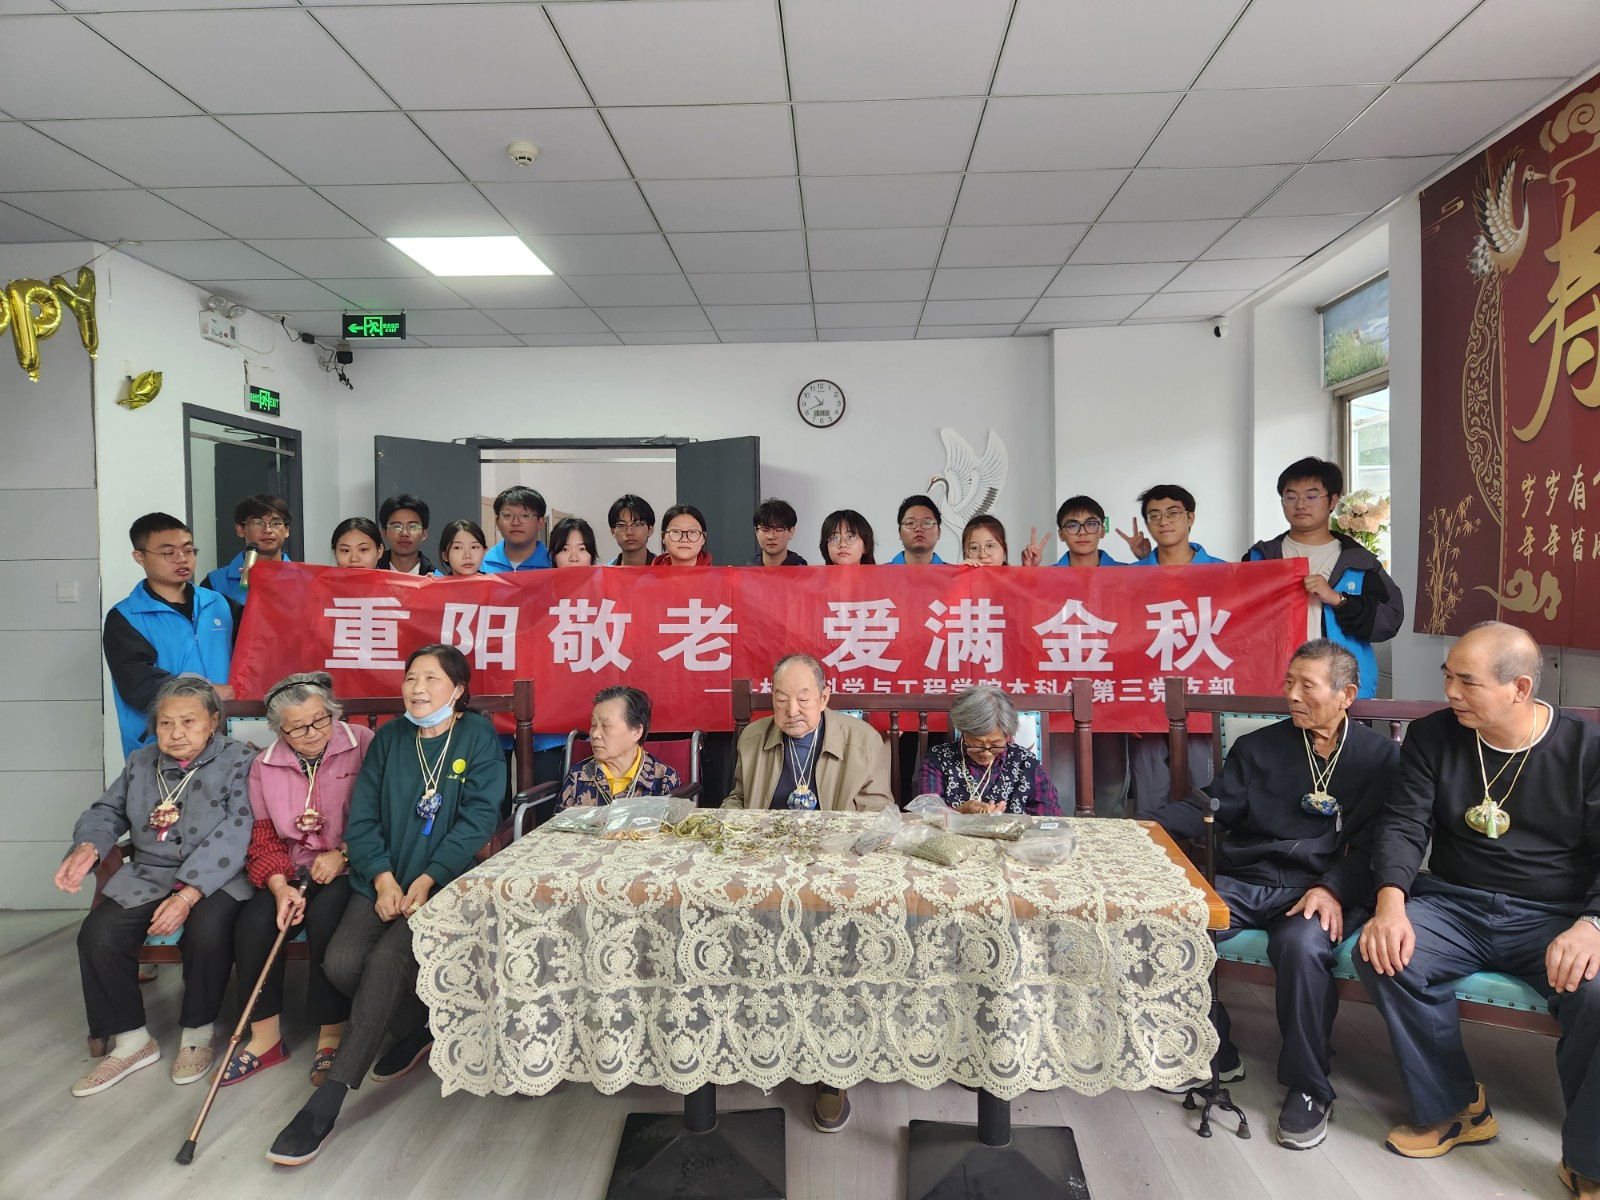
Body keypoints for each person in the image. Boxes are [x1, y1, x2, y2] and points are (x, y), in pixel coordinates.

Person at [1356, 623, 1600, 1193]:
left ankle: (1590, 1157)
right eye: (1448, 676)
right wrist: (1390, 904)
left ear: (1520, 688)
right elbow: (1404, 824)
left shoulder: (1587, 750)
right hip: (1455, 904)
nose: (1450, 692)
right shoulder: (1433, 736)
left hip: (1555, 916)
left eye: (1467, 682)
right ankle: (1456, 1108)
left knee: (1596, 992)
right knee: (1383, 954)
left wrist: (1592, 925)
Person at [1156, 641, 1400, 1151]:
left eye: (1307, 685)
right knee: (1179, 923)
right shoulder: (1259, 748)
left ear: (1347, 695)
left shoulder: (1379, 758)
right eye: (1289, 682)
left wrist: (1332, 888)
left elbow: (1380, 846)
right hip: (1250, 878)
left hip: (1320, 889)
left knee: (1303, 946)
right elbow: (1212, 806)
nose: (1291, 695)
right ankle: (1215, 1049)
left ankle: (1310, 1086)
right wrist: (1144, 824)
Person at [267, 644, 505, 1167]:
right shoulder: (392, 738)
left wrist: (428, 878)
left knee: (385, 961)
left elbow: (478, 820)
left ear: (458, 690)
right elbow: (363, 819)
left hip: (444, 884)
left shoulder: (477, 736)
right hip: (382, 879)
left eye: (432, 679)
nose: (417, 689)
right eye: (411, 677)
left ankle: (326, 1103)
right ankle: (418, 1023)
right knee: (341, 963)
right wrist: (381, 879)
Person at [56, 676, 256, 1096]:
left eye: (188, 721)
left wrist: (188, 894)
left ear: (213, 722)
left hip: (218, 875)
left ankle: (198, 1033)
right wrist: (88, 846)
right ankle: (131, 1041)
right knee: (98, 934)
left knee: (207, 930)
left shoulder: (240, 760)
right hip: (149, 873)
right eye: (166, 723)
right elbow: (106, 810)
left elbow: (239, 828)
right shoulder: (140, 762)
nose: (176, 733)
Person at [721, 653, 892, 1135]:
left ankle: (833, 1066)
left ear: (825, 696)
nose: (791, 710)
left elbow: (878, 815)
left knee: (834, 941)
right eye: (780, 699)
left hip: (834, 870)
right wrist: (731, 825)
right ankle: (751, 1039)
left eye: (802, 698)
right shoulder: (753, 738)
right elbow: (738, 799)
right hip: (763, 868)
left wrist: (826, 852)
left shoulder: (863, 740)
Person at [223, 672, 374, 1089]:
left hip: (351, 864)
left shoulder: (363, 743)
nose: (312, 733)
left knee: (327, 917)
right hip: (292, 868)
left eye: (320, 720)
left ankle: (331, 1034)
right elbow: (263, 836)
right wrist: (278, 885)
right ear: (279, 729)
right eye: (297, 727)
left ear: (332, 713)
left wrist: (344, 853)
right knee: (255, 924)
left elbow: (384, 814)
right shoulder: (264, 766)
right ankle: (265, 1038)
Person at [1245, 457, 1404, 701]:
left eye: (1311, 496)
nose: (1300, 505)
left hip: (1339, 689)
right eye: (1290, 497)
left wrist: (1338, 600)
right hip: (1275, 683)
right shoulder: (1260, 558)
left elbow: (1389, 621)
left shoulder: (1359, 562)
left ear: (1332, 500)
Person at [104, 513, 237, 758]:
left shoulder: (220, 604)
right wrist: (206, 690)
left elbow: (259, 649)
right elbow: (139, 684)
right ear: (140, 557)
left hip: (223, 740)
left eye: (188, 550)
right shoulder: (126, 617)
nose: (182, 558)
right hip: (163, 745)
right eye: (169, 552)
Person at [914, 686, 1061, 816]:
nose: (986, 753)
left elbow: (1049, 816)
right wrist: (958, 813)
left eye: (995, 745)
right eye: (977, 745)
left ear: (1007, 735)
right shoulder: (939, 760)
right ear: (963, 731)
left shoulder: (1025, 763)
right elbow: (928, 812)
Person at [558, 686, 683, 809]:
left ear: (636, 731)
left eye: (606, 726)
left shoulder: (664, 780)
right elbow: (558, 822)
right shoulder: (578, 776)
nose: (595, 734)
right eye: (593, 725)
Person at [203, 493, 293, 604]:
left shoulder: (305, 579)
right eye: (258, 523)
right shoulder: (215, 582)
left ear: (287, 530)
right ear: (240, 529)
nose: (268, 530)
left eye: (276, 523)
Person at [1129, 485, 1226, 566]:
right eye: (1154, 516)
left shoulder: (1224, 571)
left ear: (1190, 518)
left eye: (1173, 513)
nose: (1163, 522)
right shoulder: (1131, 574)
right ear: (1147, 524)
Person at [482, 485, 551, 573]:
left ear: (540, 522)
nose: (515, 523)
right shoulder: (479, 565)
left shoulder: (555, 565)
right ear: (497, 522)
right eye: (507, 515)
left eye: (525, 516)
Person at [1051, 496, 1124, 567]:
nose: (1082, 532)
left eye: (1090, 524)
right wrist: (1042, 573)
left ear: (1102, 531)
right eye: (1073, 526)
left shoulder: (1127, 572)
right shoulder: (1047, 574)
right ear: (1061, 534)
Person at [377, 495, 433, 575]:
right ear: (384, 532)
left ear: (424, 534)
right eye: (396, 526)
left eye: (412, 526)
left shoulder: (435, 578)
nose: (404, 533)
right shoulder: (371, 574)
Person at [750, 497, 808, 566]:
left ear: (791, 532)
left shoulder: (803, 571)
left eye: (778, 530)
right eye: (765, 530)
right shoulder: (746, 571)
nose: (771, 536)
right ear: (756, 532)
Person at [889, 495, 945, 565]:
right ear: (900, 532)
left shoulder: (953, 572)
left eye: (927, 523)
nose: (919, 529)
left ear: (939, 532)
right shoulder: (881, 571)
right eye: (910, 523)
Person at [607, 494, 656, 567]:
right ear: (612, 531)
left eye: (637, 524)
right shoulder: (606, 571)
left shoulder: (663, 569)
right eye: (622, 525)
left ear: (650, 530)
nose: (629, 532)